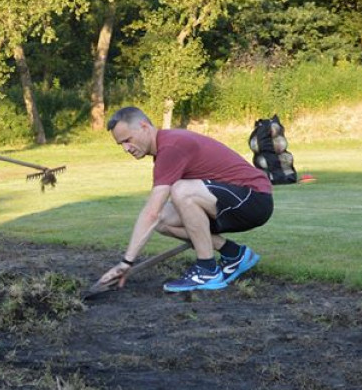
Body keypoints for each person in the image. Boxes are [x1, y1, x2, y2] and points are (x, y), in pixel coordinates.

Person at [97, 106, 274, 293]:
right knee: (163, 219)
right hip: (231, 202)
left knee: (181, 191)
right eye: (121, 144)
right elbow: (156, 214)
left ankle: (207, 270)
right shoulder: (164, 149)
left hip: (253, 199)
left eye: (127, 140)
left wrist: (126, 262)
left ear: (144, 126)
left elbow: (151, 212)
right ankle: (234, 254)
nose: (126, 148)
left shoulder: (172, 146)